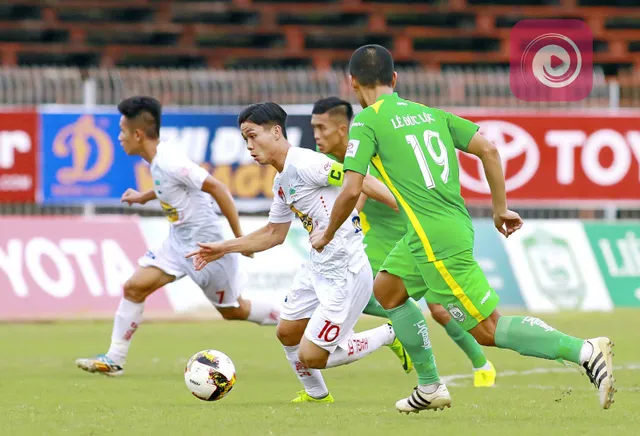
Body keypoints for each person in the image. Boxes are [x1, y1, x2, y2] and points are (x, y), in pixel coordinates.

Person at [311, 45, 616, 412]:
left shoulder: (366, 121)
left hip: (433, 238)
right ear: (394, 79)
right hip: (439, 229)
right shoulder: (431, 114)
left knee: (488, 329)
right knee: (388, 291)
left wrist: (326, 234)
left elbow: (351, 187)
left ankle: (585, 351)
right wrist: (499, 209)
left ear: (352, 83)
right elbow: (488, 149)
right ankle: (430, 386)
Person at [187, 102, 411, 403]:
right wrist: (223, 248)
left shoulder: (307, 164)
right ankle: (317, 395)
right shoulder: (282, 181)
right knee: (287, 333)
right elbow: (273, 234)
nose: (249, 146)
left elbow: (358, 179)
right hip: (317, 267)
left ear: (276, 132)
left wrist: (401, 207)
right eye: (245, 140)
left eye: (253, 136)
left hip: (346, 272)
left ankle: (388, 334)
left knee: (313, 356)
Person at [76, 96, 281, 377]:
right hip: (176, 245)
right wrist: (143, 196)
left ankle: (294, 321)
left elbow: (218, 188)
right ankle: (115, 359)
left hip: (206, 250)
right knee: (134, 288)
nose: (119, 137)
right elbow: (169, 187)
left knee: (234, 310)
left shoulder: (170, 160)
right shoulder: (159, 161)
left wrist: (238, 240)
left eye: (123, 131)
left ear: (138, 134)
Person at [311, 96, 496, 387]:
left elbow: (361, 194)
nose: (317, 136)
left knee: (436, 308)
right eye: (314, 129)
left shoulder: (365, 152)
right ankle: (406, 336)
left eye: (322, 128)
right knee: (377, 295)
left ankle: (478, 363)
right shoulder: (325, 163)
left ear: (343, 129)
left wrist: (340, 224)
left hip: (414, 235)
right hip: (384, 242)